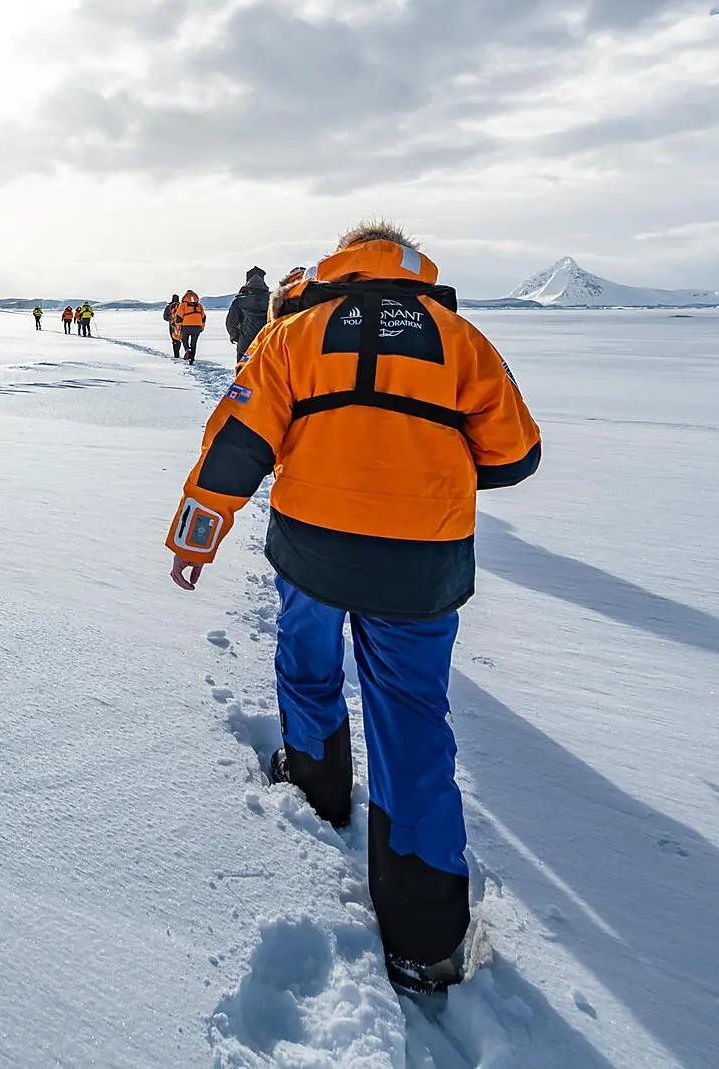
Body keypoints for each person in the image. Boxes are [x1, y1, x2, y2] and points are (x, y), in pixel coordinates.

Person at [163, 222, 542, 995]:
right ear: (407, 264)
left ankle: (315, 784)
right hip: (422, 563)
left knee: (306, 663)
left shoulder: (293, 334)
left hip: (313, 547)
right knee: (410, 718)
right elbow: (515, 454)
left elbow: (240, 439)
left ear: (343, 262)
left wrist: (197, 535)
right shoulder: (462, 340)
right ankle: (426, 940)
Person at [226, 266, 270, 362]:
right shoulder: (273, 299)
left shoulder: (239, 301)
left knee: (243, 371)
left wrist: (236, 337)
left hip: (246, 347)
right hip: (266, 345)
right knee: (265, 374)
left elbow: (231, 323)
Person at [174, 290, 206, 362]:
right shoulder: (199, 306)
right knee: (194, 343)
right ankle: (192, 358)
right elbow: (203, 317)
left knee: (184, 339)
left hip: (185, 326)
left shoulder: (182, 305)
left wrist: (178, 327)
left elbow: (179, 317)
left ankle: (187, 350)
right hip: (197, 326)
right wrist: (202, 327)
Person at [162, 293, 182, 358]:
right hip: (181, 325)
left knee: (174, 339)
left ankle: (176, 355)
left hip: (172, 325)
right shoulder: (181, 306)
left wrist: (171, 320)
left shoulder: (169, 307)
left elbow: (165, 317)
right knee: (179, 339)